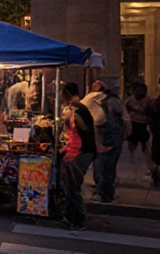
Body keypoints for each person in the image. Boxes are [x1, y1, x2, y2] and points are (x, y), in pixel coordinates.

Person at [61, 82, 97, 231]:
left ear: (67, 94)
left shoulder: (78, 110)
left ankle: (79, 219)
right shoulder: (78, 109)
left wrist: (71, 119)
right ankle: (70, 217)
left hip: (80, 152)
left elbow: (85, 130)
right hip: (78, 150)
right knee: (69, 186)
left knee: (73, 187)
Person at [87, 79, 126, 203]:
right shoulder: (115, 101)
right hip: (113, 138)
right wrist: (124, 135)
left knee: (100, 165)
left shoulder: (90, 100)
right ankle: (107, 193)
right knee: (109, 166)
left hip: (101, 137)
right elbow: (126, 120)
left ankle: (102, 192)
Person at [125, 80, 154, 182]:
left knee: (145, 148)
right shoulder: (131, 99)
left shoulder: (148, 100)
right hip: (133, 123)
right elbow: (125, 109)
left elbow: (149, 112)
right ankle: (133, 167)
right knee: (131, 147)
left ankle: (149, 167)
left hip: (143, 124)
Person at [151, 75, 160, 188]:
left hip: (159, 132)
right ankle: (156, 177)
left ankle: (156, 177)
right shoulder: (158, 102)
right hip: (159, 132)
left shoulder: (159, 102)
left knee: (156, 156)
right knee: (156, 157)